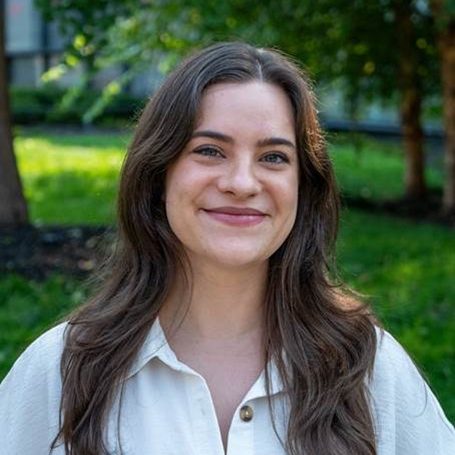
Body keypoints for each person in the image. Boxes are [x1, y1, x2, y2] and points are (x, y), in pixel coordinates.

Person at [0, 42, 453, 455]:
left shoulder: (368, 368)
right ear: (159, 174)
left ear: (303, 187)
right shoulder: (61, 371)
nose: (241, 183)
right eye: (210, 151)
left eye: (273, 157)